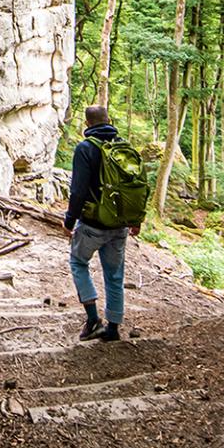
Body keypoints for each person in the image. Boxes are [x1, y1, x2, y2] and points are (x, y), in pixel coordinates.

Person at [64, 104, 139, 342]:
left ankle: (93, 319)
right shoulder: (123, 147)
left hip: (93, 222)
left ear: (87, 124)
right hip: (119, 224)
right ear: (109, 120)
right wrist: (136, 219)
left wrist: (69, 219)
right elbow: (134, 188)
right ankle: (113, 328)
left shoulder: (85, 148)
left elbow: (78, 190)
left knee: (78, 262)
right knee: (115, 275)